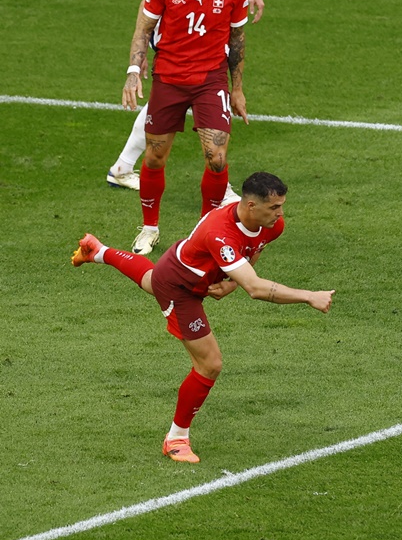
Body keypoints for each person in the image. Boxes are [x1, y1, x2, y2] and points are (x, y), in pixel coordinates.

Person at [71, 172, 335, 464]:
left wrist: (231, 283)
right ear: (250, 206)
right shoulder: (219, 232)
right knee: (210, 363)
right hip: (179, 286)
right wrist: (309, 295)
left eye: (282, 206)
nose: (280, 213)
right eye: (274, 207)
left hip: (190, 270)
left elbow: (252, 252)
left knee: (149, 278)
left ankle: (99, 251)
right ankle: (176, 439)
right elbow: (257, 288)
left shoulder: (271, 224)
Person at [107, 0, 265, 195]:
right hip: (174, 37)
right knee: (175, 101)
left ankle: (122, 167)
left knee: (168, 105)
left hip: (208, 29)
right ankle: (215, 185)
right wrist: (143, 58)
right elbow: (147, 5)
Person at [121, 0, 252, 256]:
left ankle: (207, 230)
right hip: (169, 79)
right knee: (154, 158)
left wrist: (236, 88)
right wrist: (134, 70)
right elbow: (143, 29)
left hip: (210, 80)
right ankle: (149, 227)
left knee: (218, 158)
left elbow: (237, 40)